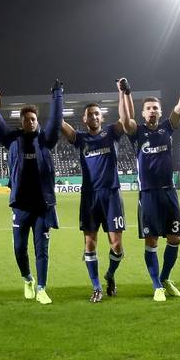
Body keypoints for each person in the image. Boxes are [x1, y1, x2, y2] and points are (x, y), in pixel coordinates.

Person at [0, 81, 63, 304]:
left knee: (41, 250)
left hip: (42, 206)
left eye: (33, 119)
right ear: (21, 121)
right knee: (19, 249)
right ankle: (28, 279)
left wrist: (57, 95)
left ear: (37, 121)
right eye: (26, 119)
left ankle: (41, 288)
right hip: (20, 205)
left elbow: (56, 122)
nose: (30, 122)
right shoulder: (12, 139)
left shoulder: (45, 140)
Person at [119, 79, 180, 301]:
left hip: (169, 191)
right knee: (152, 241)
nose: (152, 111)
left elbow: (179, 108)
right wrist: (125, 93)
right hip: (148, 193)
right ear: (143, 113)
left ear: (160, 112)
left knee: (175, 238)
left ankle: (165, 278)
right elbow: (125, 119)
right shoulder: (137, 132)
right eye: (148, 108)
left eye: (155, 108)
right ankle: (156, 285)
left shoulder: (167, 127)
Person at [61, 85, 129, 303]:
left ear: (102, 116)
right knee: (90, 243)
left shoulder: (111, 133)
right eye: (90, 114)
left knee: (116, 245)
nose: (94, 117)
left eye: (97, 113)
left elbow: (126, 119)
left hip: (111, 195)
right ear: (84, 119)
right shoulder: (80, 138)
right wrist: (57, 97)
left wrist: (122, 93)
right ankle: (96, 287)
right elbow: (59, 123)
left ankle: (109, 275)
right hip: (90, 197)